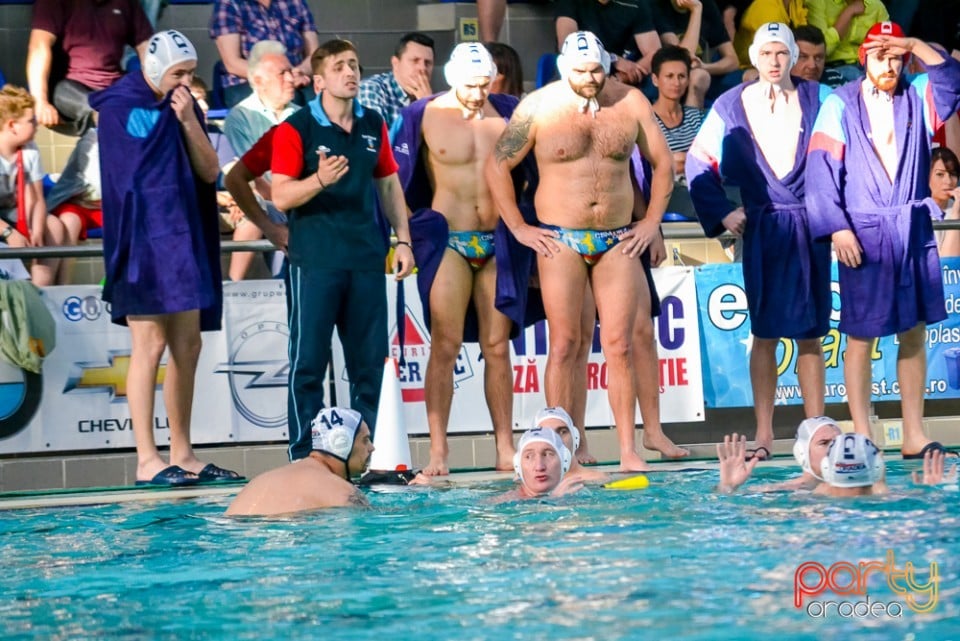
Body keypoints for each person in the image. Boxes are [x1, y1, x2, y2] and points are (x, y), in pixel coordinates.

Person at [486, 32, 674, 472]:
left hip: (616, 239)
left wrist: (650, 223)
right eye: (581, 72)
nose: (590, 79)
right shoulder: (539, 106)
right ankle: (563, 447)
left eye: (596, 71)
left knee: (619, 345)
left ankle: (628, 449)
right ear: (564, 68)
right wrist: (519, 227)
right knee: (566, 344)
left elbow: (662, 162)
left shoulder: (629, 103)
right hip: (560, 238)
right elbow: (498, 163)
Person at [88, 30, 242, 486]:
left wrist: (189, 121)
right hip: (143, 243)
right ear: (155, 69)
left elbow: (210, 171)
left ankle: (183, 452)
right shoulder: (120, 106)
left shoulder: (183, 103)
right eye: (179, 73)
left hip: (183, 239)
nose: (186, 82)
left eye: (191, 74)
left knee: (188, 347)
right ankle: (147, 459)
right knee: (149, 347)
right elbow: (129, 175)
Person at [806, 22, 960, 460]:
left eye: (896, 56)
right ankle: (862, 431)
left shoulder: (918, 95)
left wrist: (914, 44)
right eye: (881, 55)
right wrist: (836, 227)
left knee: (913, 332)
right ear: (863, 59)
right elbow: (820, 169)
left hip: (910, 228)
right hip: (865, 232)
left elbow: (952, 79)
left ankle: (914, 432)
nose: (890, 65)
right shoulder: (839, 103)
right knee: (860, 335)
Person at [687, 23, 832, 460]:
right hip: (764, 226)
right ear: (754, 57)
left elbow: (847, 151)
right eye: (766, 53)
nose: (774, 61)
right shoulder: (731, 104)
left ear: (791, 56)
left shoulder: (818, 98)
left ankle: (816, 428)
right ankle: (765, 432)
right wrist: (722, 211)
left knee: (811, 333)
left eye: (781, 53)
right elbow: (697, 163)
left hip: (809, 224)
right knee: (764, 333)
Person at [271, 39, 416, 461]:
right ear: (318, 80)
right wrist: (318, 181)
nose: (350, 73)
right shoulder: (295, 128)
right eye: (339, 67)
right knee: (309, 365)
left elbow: (388, 183)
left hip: (366, 260)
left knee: (369, 366)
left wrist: (402, 239)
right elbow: (281, 197)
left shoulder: (373, 123)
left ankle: (369, 456)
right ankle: (305, 456)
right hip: (315, 262)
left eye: (353, 65)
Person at [392, 44, 519, 476]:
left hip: (497, 240)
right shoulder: (422, 116)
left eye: (485, 84)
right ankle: (439, 452)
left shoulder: (508, 112)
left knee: (498, 347)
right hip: (449, 240)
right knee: (444, 345)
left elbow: (535, 170)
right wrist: (406, 235)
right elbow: (393, 179)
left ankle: (505, 448)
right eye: (470, 85)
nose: (478, 93)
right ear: (451, 77)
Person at [223, 40, 298, 281]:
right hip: (269, 199)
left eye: (291, 71)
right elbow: (252, 177)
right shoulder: (240, 117)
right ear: (258, 81)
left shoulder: (301, 114)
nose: (291, 78)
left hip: (300, 199)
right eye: (282, 73)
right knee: (256, 209)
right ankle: (233, 290)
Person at [26, 0, 153, 135]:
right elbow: (38, 47)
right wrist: (40, 102)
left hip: (113, 90)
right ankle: (106, 117)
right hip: (69, 91)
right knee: (63, 91)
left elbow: (148, 49)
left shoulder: (127, 3)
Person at [226, 408, 374, 515]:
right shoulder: (344, 493)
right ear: (341, 443)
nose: (371, 448)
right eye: (365, 440)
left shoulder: (259, 481)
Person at [0, 85, 67, 287]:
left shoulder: (29, 150)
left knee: (53, 225)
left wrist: (37, 230)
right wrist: (8, 234)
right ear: (12, 125)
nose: (36, 125)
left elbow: (37, 198)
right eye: (31, 121)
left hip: (12, 211)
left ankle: (41, 291)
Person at [209, 0, 319, 108]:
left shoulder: (297, 2)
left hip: (297, 78)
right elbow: (232, 63)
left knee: (322, 101)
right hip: (250, 81)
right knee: (288, 102)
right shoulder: (229, 4)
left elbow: (314, 55)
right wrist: (277, 77)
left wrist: (300, 72)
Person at [554, 0, 662, 95]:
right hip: (579, 73)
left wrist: (624, 77)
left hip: (620, 75)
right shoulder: (569, 2)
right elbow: (567, 44)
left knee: (657, 87)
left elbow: (655, 53)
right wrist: (612, 58)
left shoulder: (635, 3)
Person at [715, 416, 842, 493]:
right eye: (824, 443)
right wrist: (728, 486)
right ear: (801, 453)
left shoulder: (859, 486)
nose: (834, 448)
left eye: (838, 442)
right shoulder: (779, 491)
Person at [653, 0, 741, 106]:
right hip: (673, 75)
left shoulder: (707, 5)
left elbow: (732, 60)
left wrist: (705, 67)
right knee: (698, 76)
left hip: (704, 72)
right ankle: (692, 122)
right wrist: (696, 10)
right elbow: (681, 58)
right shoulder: (658, 5)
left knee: (752, 76)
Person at [46, 127, 102, 284]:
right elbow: (97, 186)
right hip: (78, 204)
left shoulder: (133, 137)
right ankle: (63, 285)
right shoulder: (91, 140)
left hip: (110, 207)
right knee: (69, 221)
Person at [358, 33, 435, 132]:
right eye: (415, 60)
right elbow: (377, 142)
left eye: (428, 63)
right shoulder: (372, 89)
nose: (422, 68)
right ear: (396, 64)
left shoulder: (434, 100)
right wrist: (424, 108)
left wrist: (429, 108)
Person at [805, 0, 890, 87]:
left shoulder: (876, 6)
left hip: (869, 64)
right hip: (836, 66)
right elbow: (822, 50)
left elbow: (888, 44)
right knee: (857, 78)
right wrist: (849, 12)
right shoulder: (818, 2)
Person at [650, 45, 704, 179]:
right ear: (655, 80)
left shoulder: (696, 116)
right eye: (669, 76)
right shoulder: (647, 119)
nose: (676, 82)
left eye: (681, 76)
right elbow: (651, 167)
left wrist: (678, 159)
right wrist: (690, 158)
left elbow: (706, 159)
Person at [491, 427, 582, 503]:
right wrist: (554, 500)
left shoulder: (580, 495)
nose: (539, 467)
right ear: (518, 466)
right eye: (529, 456)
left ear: (565, 460)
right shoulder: (502, 503)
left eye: (548, 454)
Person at [534, 406, 610, 482]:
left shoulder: (598, 479)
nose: (556, 439)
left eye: (562, 432)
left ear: (575, 437)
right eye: (547, 433)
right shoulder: (531, 485)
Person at [732, 0, 806, 70]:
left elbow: (803, 33)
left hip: (782, 62)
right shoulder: (767, 8)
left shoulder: (794, 2)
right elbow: (775, 51)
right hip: (749, 69)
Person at [813, 433, 886, 496]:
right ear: (878, 466)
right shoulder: (884, 498)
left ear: (825, 468)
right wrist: (881, 484)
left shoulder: (816, 503)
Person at [930, 147, 960, 257]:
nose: (948, 181)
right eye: (940, 174)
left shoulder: (956, 206)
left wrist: (956, 211)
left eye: (952, 174)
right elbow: (946, 263)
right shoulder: (917, 212)